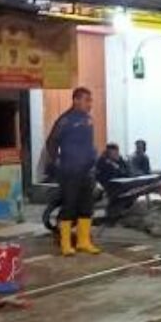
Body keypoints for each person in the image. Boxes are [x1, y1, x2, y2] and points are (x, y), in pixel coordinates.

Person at [45, 87, 100, 257]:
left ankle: (84, 242)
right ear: (76, 100)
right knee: (69, 206)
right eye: (86, 100)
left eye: (90, 101)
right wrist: (58, 160)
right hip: (70, 171)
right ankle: (66, 244)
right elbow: (51, 142)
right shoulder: (65, 120)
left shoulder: (88, 119)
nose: (90, 104)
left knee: (86, 207)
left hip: (87, 171)